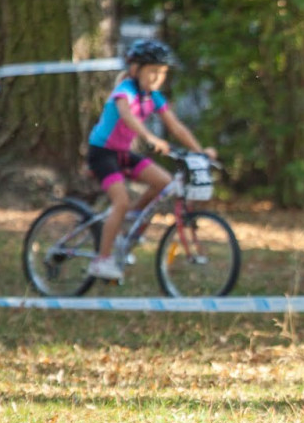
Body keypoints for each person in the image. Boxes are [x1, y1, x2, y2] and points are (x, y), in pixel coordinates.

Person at [85, 38, 216, 280]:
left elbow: (176, 127)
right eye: (153, 71)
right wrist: (149, 137)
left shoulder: (153, 97)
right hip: (102, 152)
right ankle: (101, 260)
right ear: (136, 70)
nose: (158, 77)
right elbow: (127, 116)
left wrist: (200, 151)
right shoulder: (125, 90)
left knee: (165, 183)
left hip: (123, 153)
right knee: (121, 201)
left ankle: (127, 225)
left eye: (163, 72)